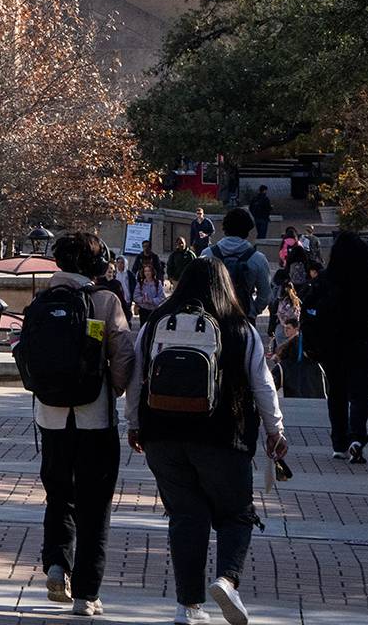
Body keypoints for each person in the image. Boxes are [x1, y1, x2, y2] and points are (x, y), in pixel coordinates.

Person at [128, 256, 287, 625]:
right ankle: (227, 579)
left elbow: (136, 378)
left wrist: (134, 424)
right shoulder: (238, 327)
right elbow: (263, 384)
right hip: (222, 436)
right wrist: (274, 430)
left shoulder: (156, 322)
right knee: (236, 514)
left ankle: (188, 607)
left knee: (186, 516)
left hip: (162, 435)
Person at [27, 231, 136, 617]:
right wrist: (116, 390)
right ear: (95, 265)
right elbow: (122, 353)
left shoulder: (41, 302)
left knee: (58, 495)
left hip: (50, 416)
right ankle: (86, 594)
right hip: (95, 417)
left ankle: (57, 563)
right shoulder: (105, 301)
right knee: (95, 504)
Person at [303, 230, 368, 464]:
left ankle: (339, 442)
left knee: (337, 392)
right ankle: (356, 437)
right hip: (362, 342)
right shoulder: (367, 280)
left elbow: (310, 311)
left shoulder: (324, 279)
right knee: (360, 392)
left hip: (331, 344)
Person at [210, 207, 275, 330]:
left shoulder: (207, 254)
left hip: (214, 320)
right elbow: (265, 295)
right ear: (248, 231)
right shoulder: (258, 259)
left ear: (224, 228)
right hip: (244, 319)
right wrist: (253, 310)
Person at [129, 249, 169, 322]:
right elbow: (135, 296)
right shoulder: (140, 283)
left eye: (149, 271)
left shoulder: (158, 283)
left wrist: (152, 300)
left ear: (152, 272)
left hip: (154, 310)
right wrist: (142, 300)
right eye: (145, 271)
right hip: (143, 309)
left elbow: (162, 297)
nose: (147, 273)